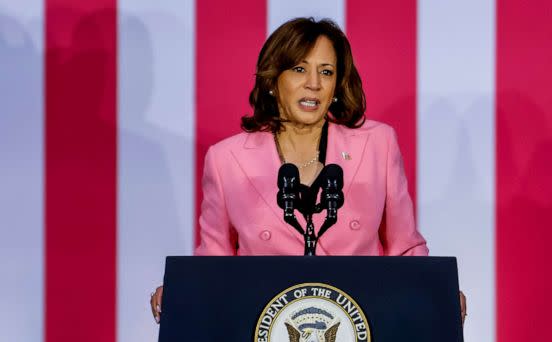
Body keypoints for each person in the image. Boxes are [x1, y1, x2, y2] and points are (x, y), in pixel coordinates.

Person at [150, 17, 466, 323]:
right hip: (264, 323)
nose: (314, 84)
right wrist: (180, 293)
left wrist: (438, 290)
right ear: (273, 80)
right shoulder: (226, 159)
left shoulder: (377, 144)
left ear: (337, 84)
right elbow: (214, 259)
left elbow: (405, 247)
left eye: (326, 72)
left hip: (360, 321)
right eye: (299, 69)